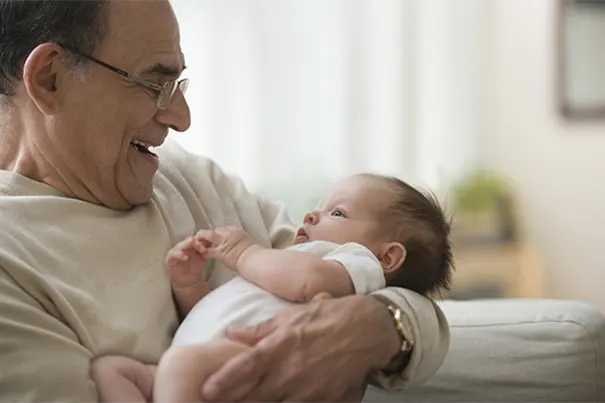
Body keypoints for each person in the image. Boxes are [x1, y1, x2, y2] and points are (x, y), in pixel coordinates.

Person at [0, 1, 450, 402]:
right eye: (154, 83)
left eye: (179, 85)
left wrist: (382, 326)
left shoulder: (186, 178)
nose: (182, 119)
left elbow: (404, 299)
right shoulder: (12, 259)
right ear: (50, 78)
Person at [91, 173, 454, 402]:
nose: (311, 215)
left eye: (338, 213)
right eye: (318, 207)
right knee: (114, 371)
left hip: (256, 368)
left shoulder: (354, 262)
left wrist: (243, 252)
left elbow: (311, 283)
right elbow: (225, 314)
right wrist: (190, 285)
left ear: (388, 257)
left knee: (178, 366)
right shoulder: (281, 266)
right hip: (211, 363)